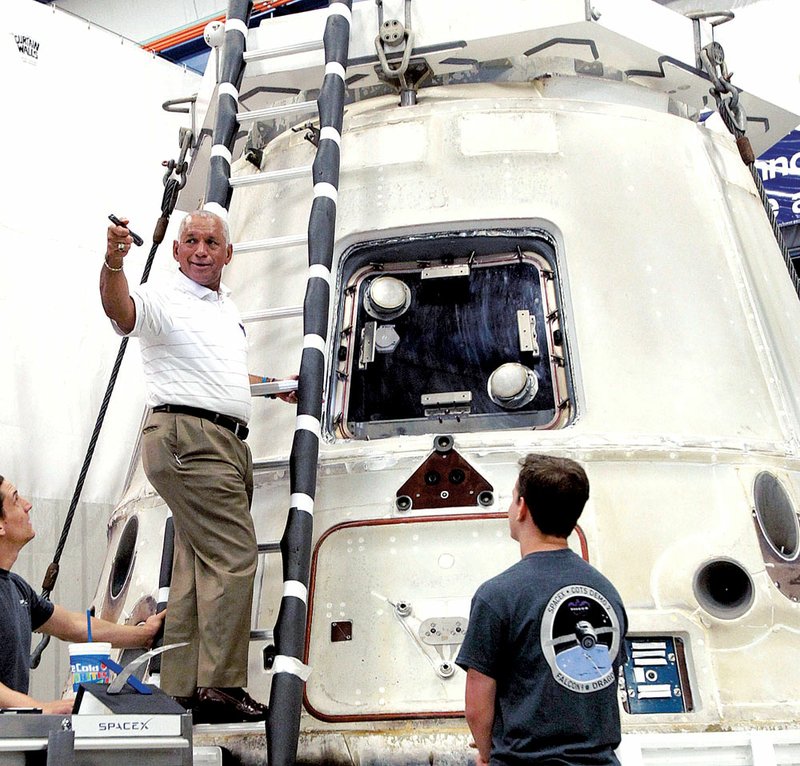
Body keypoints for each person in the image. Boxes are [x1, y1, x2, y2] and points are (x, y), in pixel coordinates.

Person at [100, 210, 297, 723]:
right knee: (235, 557)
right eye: (191, 240)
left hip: (217, 439)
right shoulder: (163, 297)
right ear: (176, 250)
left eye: (211, 242)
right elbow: (121, 312)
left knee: (195, 563)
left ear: (228, 254)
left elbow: (222, 372)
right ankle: (223, 685)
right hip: (191, 438)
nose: (201, 250)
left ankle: (183, 687)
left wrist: (274, 385)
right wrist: (114, 261)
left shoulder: (223, 307)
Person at [456, 454, 628, 766]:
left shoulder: (497, 595)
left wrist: (485, 754)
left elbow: (477, 697)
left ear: (521, 507)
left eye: (511, 499)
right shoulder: (607, 593)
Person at [0, 476, 165, 714]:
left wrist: (143, 635)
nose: (28, 504)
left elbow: (74, 626)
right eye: (16, 500)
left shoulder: (17, 588)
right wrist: (41, 709)